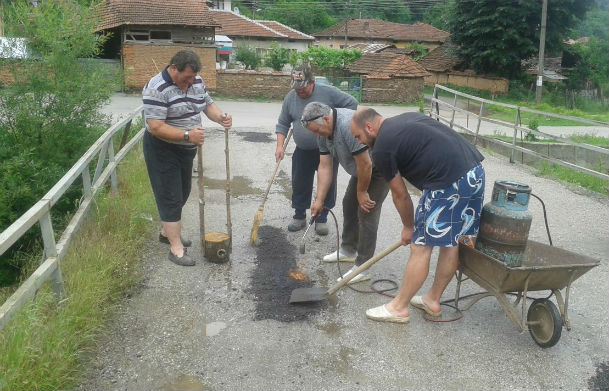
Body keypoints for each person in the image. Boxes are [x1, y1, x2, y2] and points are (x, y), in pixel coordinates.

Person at [350, 108, 485, 323]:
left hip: (447, 183)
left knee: (420, 247)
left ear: (369, 127)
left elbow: (400, 195)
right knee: (452, 243)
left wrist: (408, 227)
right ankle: (432, 300)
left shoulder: (382, 148)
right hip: (474, 172)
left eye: (358, 136)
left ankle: (398, 307)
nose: (360, 143)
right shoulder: (404, 118)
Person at [142, 50, 232, 266]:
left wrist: (220, 117)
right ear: (173, 68)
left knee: (183, 192)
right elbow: (156, 127)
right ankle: (176, 248)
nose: (191, 82)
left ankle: (167, 232)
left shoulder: (196, 81)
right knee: (170, 196)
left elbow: (207, 104)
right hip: (162, 149)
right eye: (187, 77)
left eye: (193, 77)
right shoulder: (156, 88)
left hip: (186, 148)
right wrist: (187, 135)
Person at [301, 102, 389, 283]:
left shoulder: (347, 126)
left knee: (366, 211)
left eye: (316, 130)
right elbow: (325, 167)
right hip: (362, 169)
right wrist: (319, 200)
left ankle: (363, 267)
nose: (317, 135)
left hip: (379, 167)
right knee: (349, 204)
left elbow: (366, 164)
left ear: (325, 119)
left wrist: (363, 192)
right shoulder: (322, 132)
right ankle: (349, 250)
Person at [275, 63, 358, 235]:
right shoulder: (291, 97)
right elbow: (283, 123)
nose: (299, 92)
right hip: (303, 150)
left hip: (327, 149)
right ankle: (299, 216)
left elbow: (352, 103)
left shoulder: (328, 92)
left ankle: (321, 219)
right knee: (300, 183)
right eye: (296, 89)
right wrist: (279, 146)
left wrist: (333, 123)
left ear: (312, 81)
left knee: (327, 183)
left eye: (303, 88)